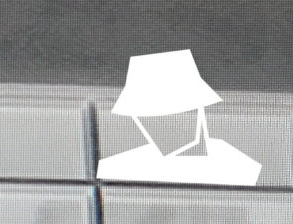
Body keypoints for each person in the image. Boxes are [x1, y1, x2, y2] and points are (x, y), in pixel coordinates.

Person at [96, 48, 261, 186]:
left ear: (197, 109)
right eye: (144, 117)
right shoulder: (117, 168)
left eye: (166, 113)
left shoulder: (243, 168)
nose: (154, 127)